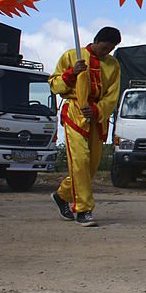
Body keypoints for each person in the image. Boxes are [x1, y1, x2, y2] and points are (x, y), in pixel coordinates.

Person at [49, 27, 122, 227]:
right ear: (97, 41)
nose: (107, 52)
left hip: (97, 117)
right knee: (80, 160)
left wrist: (98, 110)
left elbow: (112, 95)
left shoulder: (114, 65)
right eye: (105, 47)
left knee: (89, 168)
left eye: (111, 49)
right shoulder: (72, 56)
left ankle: (62, 195)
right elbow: (54, 85)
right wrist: (72, 73)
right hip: (75, 112)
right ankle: (83, 209)